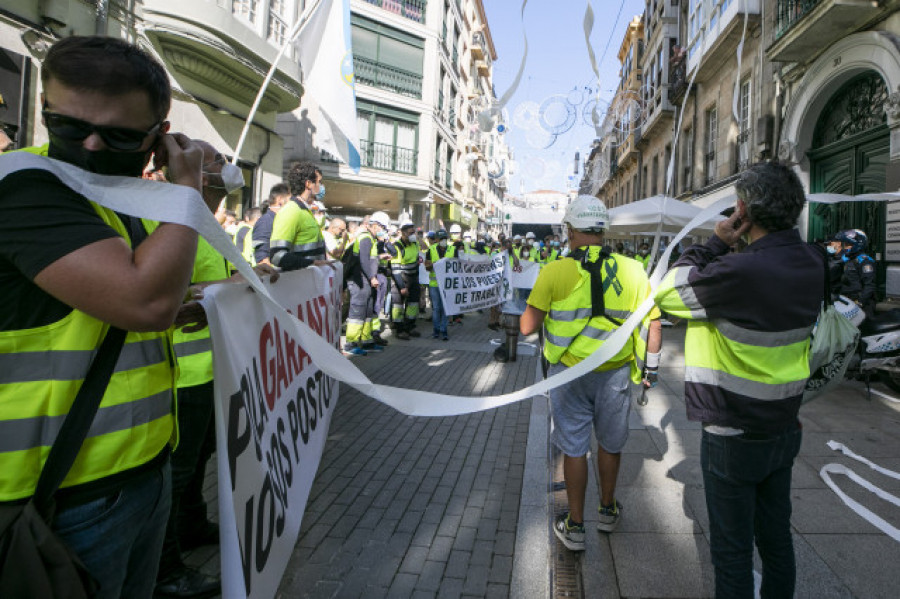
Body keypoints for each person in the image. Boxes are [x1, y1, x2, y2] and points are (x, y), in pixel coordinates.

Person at [0, 35, 208, 598]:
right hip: (54, 496)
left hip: (138, 473)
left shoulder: (122, 198)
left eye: (117, 136)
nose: (90, 145)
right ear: (44, 110)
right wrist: (187, 188)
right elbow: (143, 301)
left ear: (157, 138)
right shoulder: (23, 186)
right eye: (67, 126)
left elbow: (118, 310)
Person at [655, 161, 823, 598]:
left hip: (734, 428)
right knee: (776, 539)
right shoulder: (812, 261)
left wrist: (712, 244)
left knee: (732, 553)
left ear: (743, 210)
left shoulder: (740, 272)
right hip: (783, 424)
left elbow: (668, 292)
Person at [520, 195, 661, 552]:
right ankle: (609, 511)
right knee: (610, 444)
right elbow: (654, 324)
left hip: (568, 374)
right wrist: (652, 372)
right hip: (614, 376)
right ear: (603, 230)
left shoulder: (554, 270)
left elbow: (525, 327)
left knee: (574, 448)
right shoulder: (633, 269)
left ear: (570, 230)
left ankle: (576, 526)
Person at [344, 212, 389, 355]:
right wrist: (371, 277)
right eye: (382, 227)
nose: (384, 230)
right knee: (357, 311)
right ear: (375, 225)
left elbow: (371, 259)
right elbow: (363, 260)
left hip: (366, 281)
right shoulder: (365, 238)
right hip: (360, 280)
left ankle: (366, 341)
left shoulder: (371, 238)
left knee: (368, 311)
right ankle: (351, 344)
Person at [269, 161, 326, 270]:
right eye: (319, 182)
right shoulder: (291, 211)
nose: (321, 186)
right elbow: (277, 256)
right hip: (298, 282)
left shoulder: (305, 210)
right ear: (308, 184)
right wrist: (312, 263)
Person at [389, 221, 422, 339]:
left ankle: (410, 327)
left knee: (413, 303)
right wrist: (402, 287)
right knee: (398, 306)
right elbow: (395, 269)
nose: (413, 235)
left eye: (414, 232)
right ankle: (399, 329)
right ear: (403, 233)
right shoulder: (397, 247)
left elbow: (417, 261)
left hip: (413, 278)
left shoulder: (415, 244)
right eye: (410, 233)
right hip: (401, 279)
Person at [834, 228, 877, 319]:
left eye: (847, 245)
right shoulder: (847, 259)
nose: (844, 247)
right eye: (844, 244)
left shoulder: (865, 261)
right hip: (847, 301)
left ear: (857, 245)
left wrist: (860, 302)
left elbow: (869, 286)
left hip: (863, 304)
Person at [424, 228, 455, 340]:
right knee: (436, 308)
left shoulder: (453, 249)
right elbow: (426, 266)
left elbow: (458, 266)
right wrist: (435, 264)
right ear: (436, 239)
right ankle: (436, 330)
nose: (443, 240)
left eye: (444, 238)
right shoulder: (431, 250)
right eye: (441, 238)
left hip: (447, 285)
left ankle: (444, 329)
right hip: (434, 285)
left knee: (445, 308)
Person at [252, 183, 290, 265]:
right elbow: (262, 258)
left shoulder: (281, 220)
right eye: (291, 200)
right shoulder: (265, 221)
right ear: (280, 200)